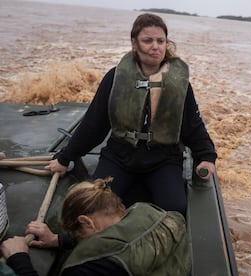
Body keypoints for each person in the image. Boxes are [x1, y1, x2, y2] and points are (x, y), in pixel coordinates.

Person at [45, 13, 217, 215]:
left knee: (175, 209)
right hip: (119, 157)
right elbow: (94, 124)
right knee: (92, 207)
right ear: (134, 43)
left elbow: (192, 125)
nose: (156, 46)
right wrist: (65, 158)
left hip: (163, 160)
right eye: (148, 40)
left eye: (160, 41)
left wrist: (206, 156)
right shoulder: (115, 78)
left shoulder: (179, 84)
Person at [0, 178, 191, 276]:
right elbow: (114, 237)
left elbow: (105, 248)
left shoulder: (93, 269)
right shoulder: (154, 213)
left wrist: (19, 258)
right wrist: (58, 240)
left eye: (77, 233)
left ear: (86, 221)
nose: (78, 239)